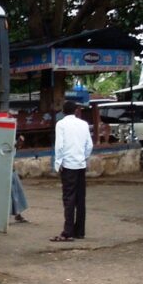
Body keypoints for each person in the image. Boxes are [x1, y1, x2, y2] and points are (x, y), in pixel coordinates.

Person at [51, 100, 92, 242]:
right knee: (80, 199)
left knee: (69, 198)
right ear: (76, 110)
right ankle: (80, 230)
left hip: (68, 165)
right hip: (80, 164)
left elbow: (59, 145)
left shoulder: (61, 124)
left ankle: (68, 231)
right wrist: (84, 158)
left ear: (63, 111)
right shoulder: (84, 124)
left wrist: (58, 163)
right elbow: (89, 145)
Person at [10, 135, 28, 222]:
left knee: (16, 192)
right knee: (12, 193)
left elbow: (14, 149)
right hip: (4, 169)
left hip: (10, 169)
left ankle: (18, 214)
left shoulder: (10, 135)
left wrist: (17, 144)